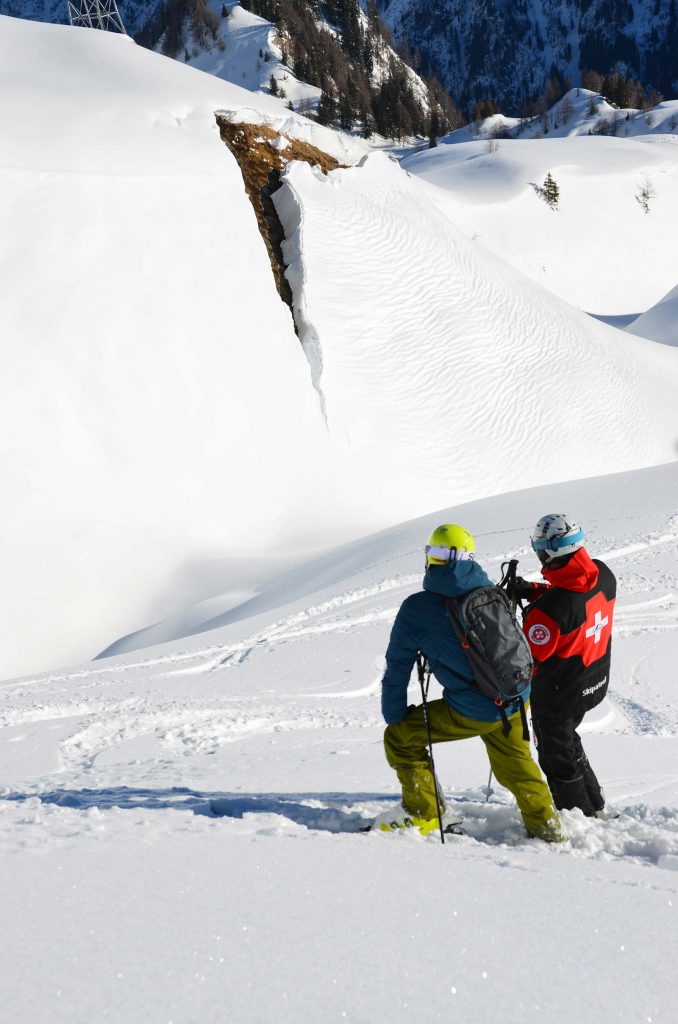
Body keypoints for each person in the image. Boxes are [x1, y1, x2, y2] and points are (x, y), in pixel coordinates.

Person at [377, 523, 565, 841]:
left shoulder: (417, 608)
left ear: (432, 559)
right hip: (516, 694)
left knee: (400, 739)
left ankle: (423, 813)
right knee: (518, 768)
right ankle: (548, 829)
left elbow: (398, 667)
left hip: (473, 708)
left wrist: (394, 716)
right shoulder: (489, 591)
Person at [510, 514, 617, 818]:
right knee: (568, 740)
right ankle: (595, 804)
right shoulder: (604, 574)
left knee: (557, 757)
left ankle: (579, 816)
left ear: (550, 551)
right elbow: (577, 598)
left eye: (540, 548)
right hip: (592, 681)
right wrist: (534, 591)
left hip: (558, 695)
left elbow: (527, 660)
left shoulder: (547, 613)